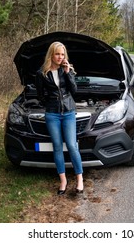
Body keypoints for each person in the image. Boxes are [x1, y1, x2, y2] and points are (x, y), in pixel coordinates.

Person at [35, 41, 83, 195]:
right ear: (51, 54)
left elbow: (74, 91)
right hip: (52, 114)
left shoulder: (67, 70)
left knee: (71, 144)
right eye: (57, 54)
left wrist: (68, 72)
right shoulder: (41, 73)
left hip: (69, 112)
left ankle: (79, 179)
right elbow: (40, 95)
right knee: (57, 146)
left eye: (62, 54)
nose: (60, 57)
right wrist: (50, 104)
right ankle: (63, 181)